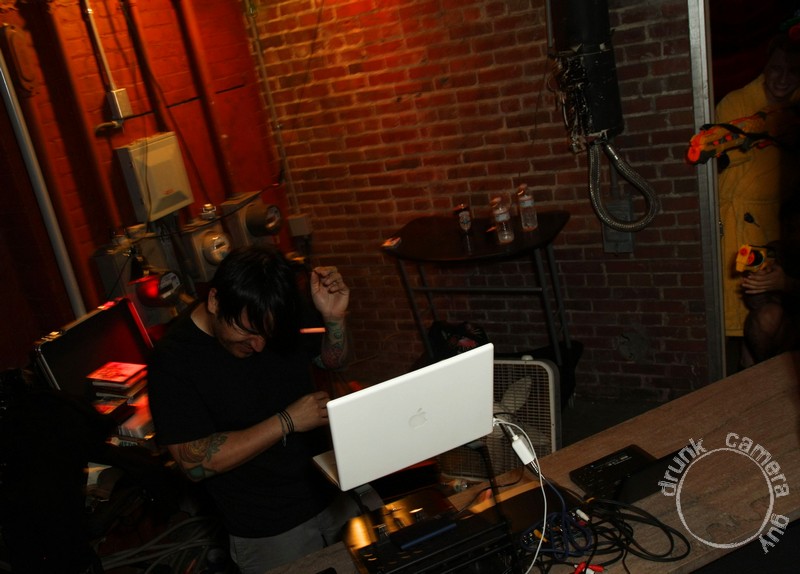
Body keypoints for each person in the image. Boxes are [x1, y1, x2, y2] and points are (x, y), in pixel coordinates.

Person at [147, 244, 360, 573]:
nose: (259, 345)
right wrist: (287, 421)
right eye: (247, 332)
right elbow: (193, 463)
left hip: (336, 491)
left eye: (266, 334)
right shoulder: (173, 360)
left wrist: (334, 319)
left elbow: (332, 360)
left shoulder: (274, 308)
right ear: (215, 301)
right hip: (270, 528)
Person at [715, 30, 800, 366]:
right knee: (750, 316)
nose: (783, 78)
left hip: (782, 226)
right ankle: (750, 383)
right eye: (776, 68)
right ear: (765, 67)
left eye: (793, 71)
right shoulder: (735, 104)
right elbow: (719, 156)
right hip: (738, 225)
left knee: (769, 317)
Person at [741, 194, 800, 363]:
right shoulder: (776, 250)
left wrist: (786, 283)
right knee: (767, 316)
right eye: (791, 229)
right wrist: (758, 280)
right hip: (785, 328)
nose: (795, 236)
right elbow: (755, 304)